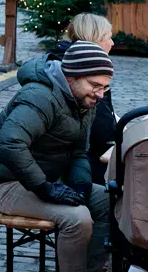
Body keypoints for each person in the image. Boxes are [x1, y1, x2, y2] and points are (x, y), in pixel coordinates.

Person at [0, 42, 114, 272]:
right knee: (77, 218)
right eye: (95, 85)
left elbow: (79, 151)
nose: (100, 94)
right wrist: (45, 188)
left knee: (110, 201)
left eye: (105, 87)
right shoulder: (39, 96)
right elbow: (10, 143)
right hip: (1, 182)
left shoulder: (84, 100)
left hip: (41, 176)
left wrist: (81, 185)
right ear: (71, 77)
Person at [47, 13, 118, 184]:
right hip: (76, 164)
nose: (112, 43)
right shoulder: (84, 71)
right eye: (109, 37)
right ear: (96, 39)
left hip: (75, 159)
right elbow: (101, 132)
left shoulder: (62, 62)